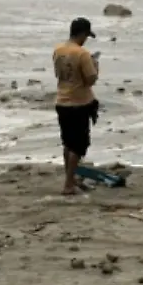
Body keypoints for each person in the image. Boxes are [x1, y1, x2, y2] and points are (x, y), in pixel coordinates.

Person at [52, 17, 100, 196]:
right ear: (82, 34)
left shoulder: (58, 50)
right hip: (79, 102)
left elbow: (60, 74)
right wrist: (95, 66)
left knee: (67, 143)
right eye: (87, 35)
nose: (86, 39)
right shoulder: (83, 54)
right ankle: (68, 185)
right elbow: (90, 80)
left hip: (62, 100)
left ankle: (70, 180)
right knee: (78, 146)